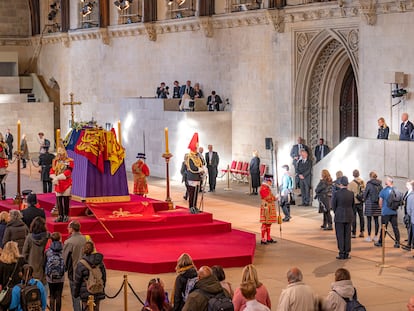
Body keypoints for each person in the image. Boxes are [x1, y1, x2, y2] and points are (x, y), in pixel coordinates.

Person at [74, 240, 106, 311]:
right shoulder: (100, 262)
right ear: (93, 249)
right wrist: (102, 287)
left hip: (86, 291)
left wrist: (76, 293)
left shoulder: (81, 264)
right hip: (98, 289)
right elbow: (104, 277)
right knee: (96, 308)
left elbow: (77, 280)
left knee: (86, 308)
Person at [63, 220, 86, 311]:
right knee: (85, 296)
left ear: (72, 229)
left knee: (75, 296)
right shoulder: (85, 239)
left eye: (68, 227)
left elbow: (65, 259)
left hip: (74, 272)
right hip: (85, 270)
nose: (67, 229)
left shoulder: (69, 242)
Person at [332, 176, 355, 260]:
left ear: (340, 184)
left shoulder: (336, 194)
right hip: (349, 215)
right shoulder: (351, 193)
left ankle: (341, 252)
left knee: (340, 235)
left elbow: (333, 205)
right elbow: (353, 205)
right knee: (347, 234)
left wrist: (337, 212)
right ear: (347, 184)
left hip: (339, 215)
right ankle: (347, 252)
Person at [374, 176, 401, 248]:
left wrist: (382, 208)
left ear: (388, 182)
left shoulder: (384, 191)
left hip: (385, 212)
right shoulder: (396, 190)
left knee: (383, 228)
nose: (385, 181)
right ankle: (397, 242)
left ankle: (381, 242)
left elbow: (380, 202)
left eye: (386, 180)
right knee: (395, 227)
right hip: (394, 212)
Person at [22, 216, 49, 286]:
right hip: (44, 266)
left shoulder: (29, 238)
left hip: (31, 266)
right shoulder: (47, 236)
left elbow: (24, 253)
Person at [50, 147, 74, 223]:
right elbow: (52, 171)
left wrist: (57, 177)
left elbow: (68, 172)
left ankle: (66, 215)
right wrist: (54, 177)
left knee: (66, 199)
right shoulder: (56, 161)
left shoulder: (70, 161)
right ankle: (60, 215)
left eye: (61, 155)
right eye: (59, 155)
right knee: (59, 200)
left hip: (66, 182)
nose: (60, 156)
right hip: (58, 183)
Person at [45, 232, 65, 311]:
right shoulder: (63, 250)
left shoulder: (48, 251)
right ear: (60, 239)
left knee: (52, 295)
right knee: (59, 295)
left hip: (50, 277)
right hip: (61, 276)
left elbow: (44, 263)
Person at [185, 133, 204, 214]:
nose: (196, 149)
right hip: (192, 177)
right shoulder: (189, 156)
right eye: (196, 148)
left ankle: (195, 206)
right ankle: (191, 207)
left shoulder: (197, 156)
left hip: (197, 177)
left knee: (196, 193)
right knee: (192, 193)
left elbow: (202, 163)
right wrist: (200, 169)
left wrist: (203, 168)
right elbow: (192, 168)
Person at [363, 171, 382, 242]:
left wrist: (364, 200)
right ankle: (376, 236)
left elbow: (365, 194)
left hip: (369, 204)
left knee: (369, 221)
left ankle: (369, 236)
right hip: (377, 204)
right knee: (376, 220)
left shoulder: (369, 184)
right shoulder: (380, 185)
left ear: (370, 176)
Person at [259, 174, 277, 245]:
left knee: (269, 223)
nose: (271, 183)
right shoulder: (263, 188)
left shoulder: (267, 187)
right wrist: (274, 198)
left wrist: (275, 198)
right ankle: (263, 239)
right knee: (265, 222)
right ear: (267, 181)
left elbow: (271, 196)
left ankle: (268, 237)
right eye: (270, 181)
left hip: (269, 206)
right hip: (266, 206)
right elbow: (268, 198)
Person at [348, 169, 365, 238]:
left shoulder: (351, 183)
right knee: (361, 217)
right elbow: (364, 191)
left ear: (353, 174)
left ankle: (354, 233)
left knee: (353, 217)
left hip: (354, 202)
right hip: (360, 201)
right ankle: (362, 231)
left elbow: (349, 192)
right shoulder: (362, 182)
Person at [0, 133, 8, 200]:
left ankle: (3, 195)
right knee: (2, 181)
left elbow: (5, 150)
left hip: (1, 164)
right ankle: (3, 195)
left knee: (2, 181)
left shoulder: (2, 145)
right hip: (2, 164)